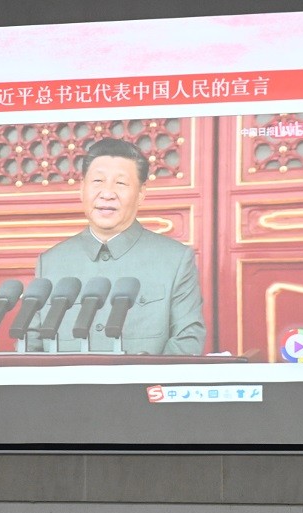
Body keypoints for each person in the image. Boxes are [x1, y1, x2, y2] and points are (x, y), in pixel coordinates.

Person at [27, 138, 206, 355]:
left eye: (120, 183)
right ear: (82, 189)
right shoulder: (51, 262)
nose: (107, 193)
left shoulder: (175, 260)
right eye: (98, 181)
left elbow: (187, 341)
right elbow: (31, 348)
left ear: (141, 193)